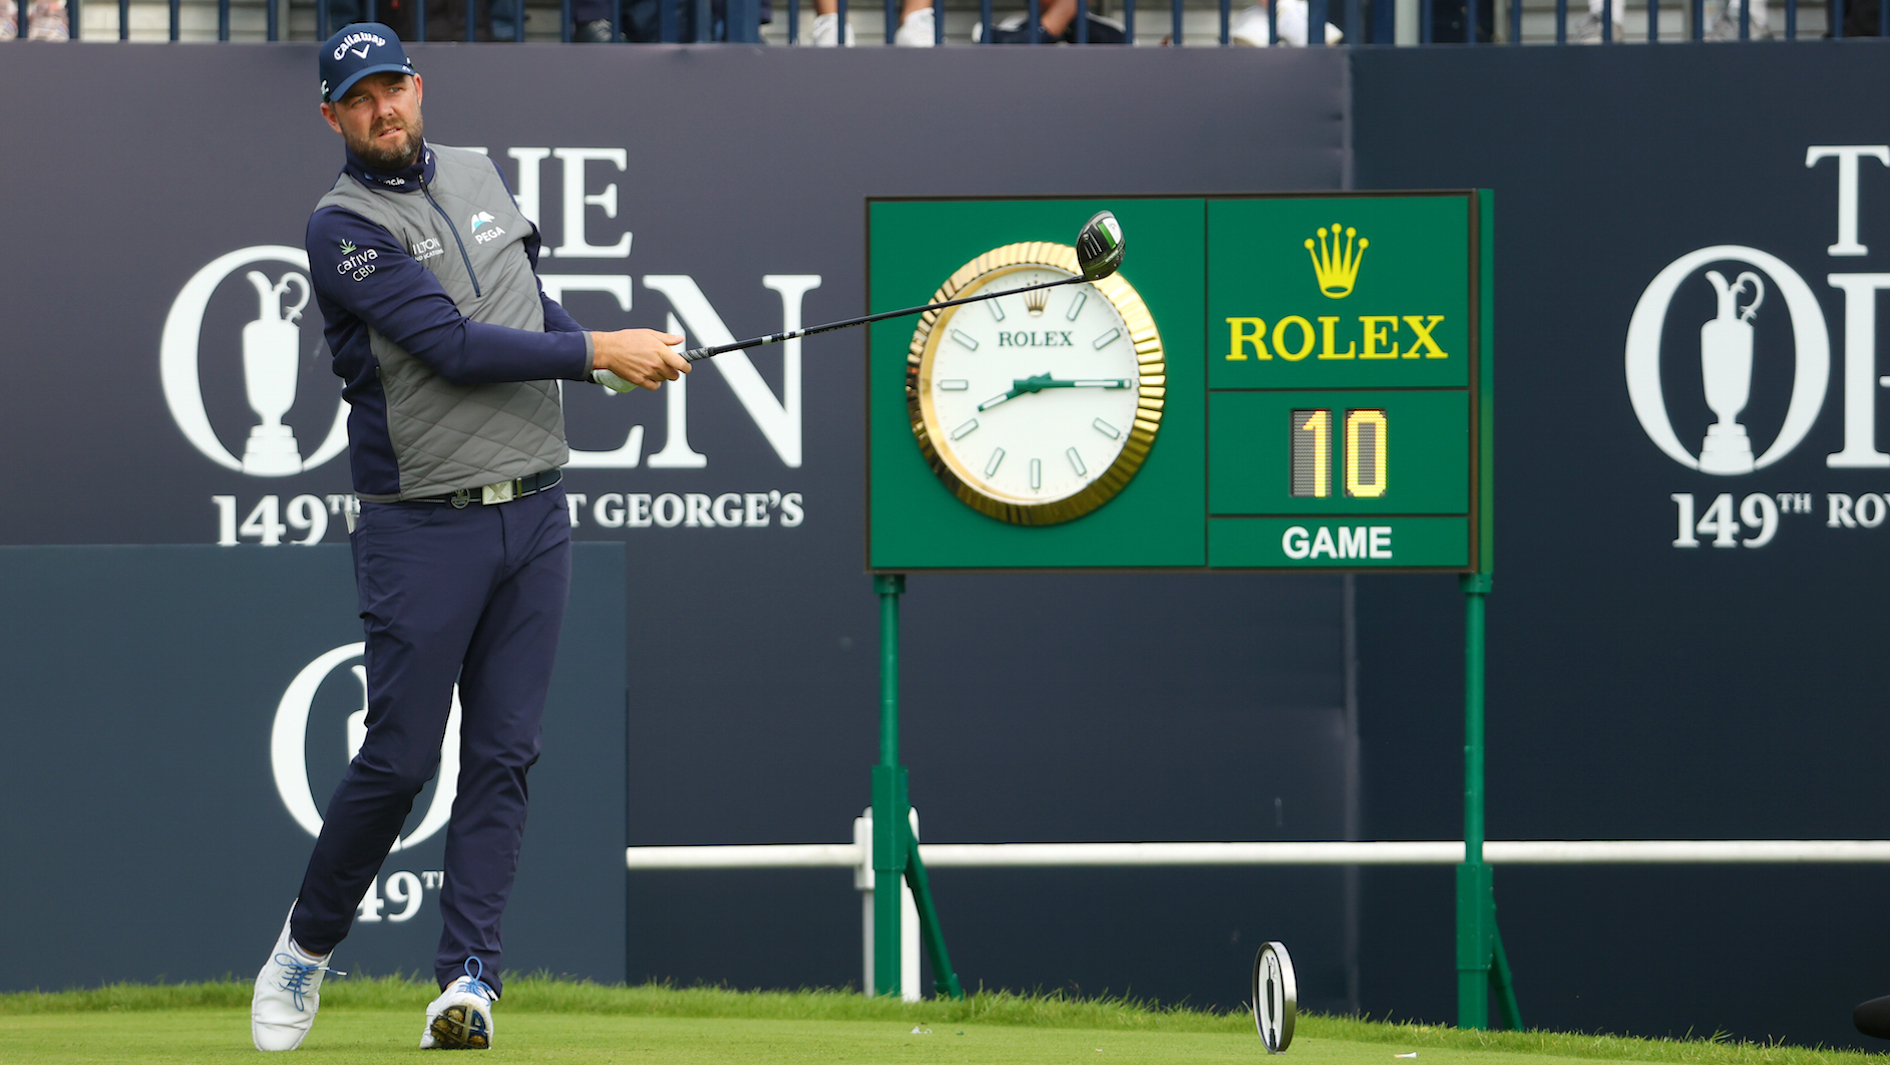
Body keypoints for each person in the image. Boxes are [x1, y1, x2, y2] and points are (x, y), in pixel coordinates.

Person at [249, 23, 688, 1053]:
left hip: (536, 511)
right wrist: (593, 352)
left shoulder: (485, 175)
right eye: (358, 98)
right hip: (423, 524)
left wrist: (609, 356)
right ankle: (305, 950)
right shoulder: (340, 225)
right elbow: (447, 345)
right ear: (331, 115)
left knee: (504, 753)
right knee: (400, 764)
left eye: (392, 87)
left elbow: (525, 305)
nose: (382, 109)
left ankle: (468, 983)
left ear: (418, 87)